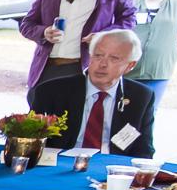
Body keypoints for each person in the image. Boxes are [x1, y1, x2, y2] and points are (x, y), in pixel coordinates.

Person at [30, 30, 155, 159]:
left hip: (111, 169)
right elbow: (30, 142)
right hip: (60, 166)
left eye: (114, 58)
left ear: (130, 65)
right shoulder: (51, 91)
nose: (102, 64)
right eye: (98, 55)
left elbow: (144, 151)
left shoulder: (141, 96)